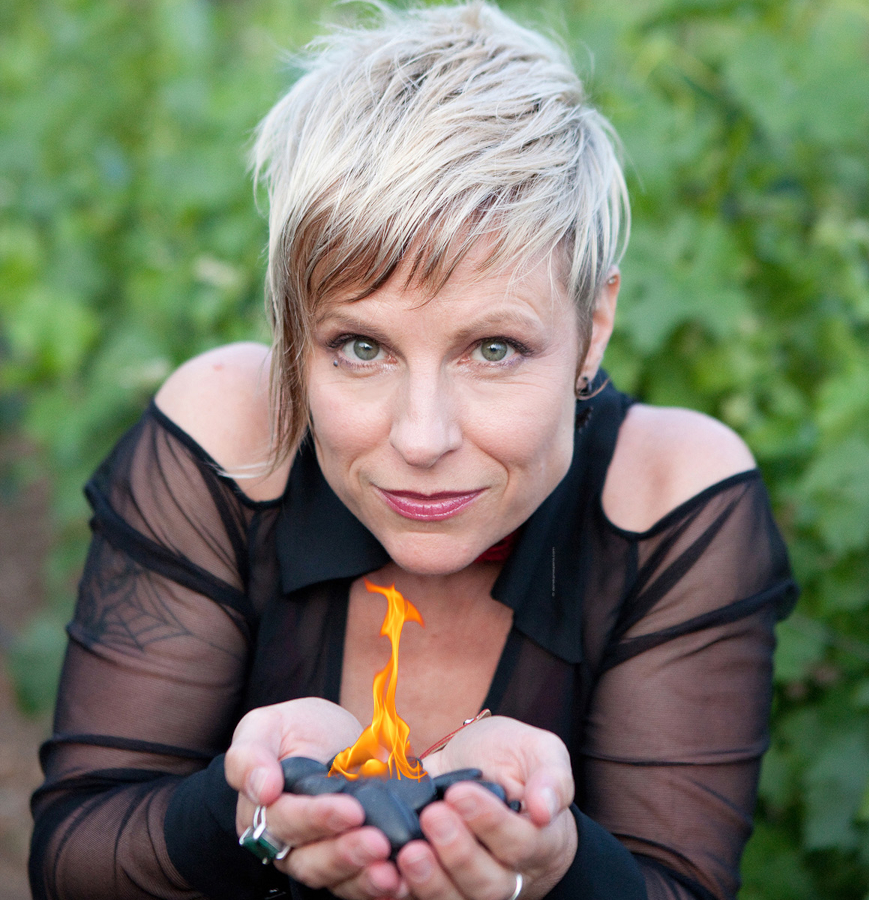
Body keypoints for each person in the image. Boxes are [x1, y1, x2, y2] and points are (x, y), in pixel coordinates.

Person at [29, 3, 797, 900]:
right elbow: (76, 858)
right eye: (361, 347)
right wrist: (241, 813)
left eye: (493, 350)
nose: (422, 438)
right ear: (292, 335)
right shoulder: (228, 444)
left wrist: (556, 866)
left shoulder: (670, 499)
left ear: (593, 328)